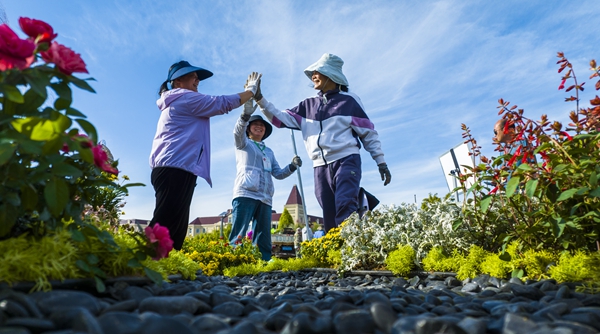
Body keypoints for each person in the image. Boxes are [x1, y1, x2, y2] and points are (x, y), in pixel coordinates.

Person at [256, 53, 392, 232]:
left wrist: (380, 162)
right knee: (328, 211)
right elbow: (280, 119)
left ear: (331, 75)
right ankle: (335, 253)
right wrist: (260, 99)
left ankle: (350, 252)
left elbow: (368, 133)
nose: (313, 75)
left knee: (345, 205)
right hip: (319, 166)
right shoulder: (307, 106)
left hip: (346, 159)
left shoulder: (349, 101)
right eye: (312, 72)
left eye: (318, 72)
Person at [149, 60, 261, 250]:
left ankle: (164, 266)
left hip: (179, 168)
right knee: (165, 221)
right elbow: (220, 103)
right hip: (174, 167)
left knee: (176, 224)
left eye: (197, 77)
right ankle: (139, 263)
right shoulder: (184, 98)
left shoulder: (179, 99)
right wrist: (251, 91)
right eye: (192, 76)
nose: (197, 80)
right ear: (177, 82)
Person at [228, 100, 302, 261]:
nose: (259, 127)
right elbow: (237, 132)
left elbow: (278, 173)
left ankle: (264, 262)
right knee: (239, 231)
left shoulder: (269, 151)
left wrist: (292, 166)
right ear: (248, 128)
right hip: (246, 192)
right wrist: (244, 116)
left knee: (263, 235)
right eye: (255, 124)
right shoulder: (244, 144)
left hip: (265, 197)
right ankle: (234, 260)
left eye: (262, 125)